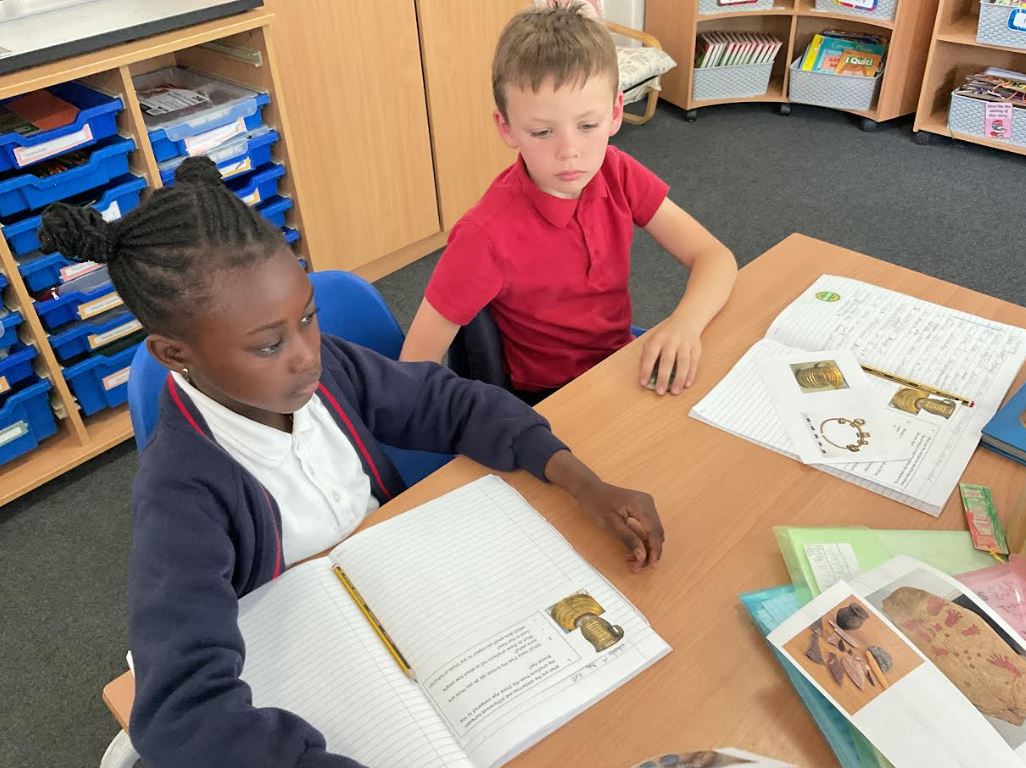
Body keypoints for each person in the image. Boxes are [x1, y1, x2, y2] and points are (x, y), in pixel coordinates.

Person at [38, 156, 664, 768]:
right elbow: (180, 711)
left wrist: (580, 480)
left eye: (307, 316)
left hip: (394, 595)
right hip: (311, 658)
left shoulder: (326, 368)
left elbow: (451, 403)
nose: (306, 354)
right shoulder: (181, 492)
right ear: (176, 354)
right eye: (269, 345)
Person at [400, 1, 737, 402]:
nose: (569, 152)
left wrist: (684, 325)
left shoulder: (616, 171)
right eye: (542, 132)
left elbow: (714, 257)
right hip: (555, 398)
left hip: (620, 362)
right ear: (506, 128)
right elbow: (413, 367)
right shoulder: (484, 236)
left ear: (615, 112)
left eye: (588, 125)